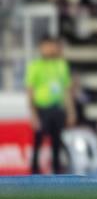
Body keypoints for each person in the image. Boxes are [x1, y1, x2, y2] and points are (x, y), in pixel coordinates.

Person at [25, 36, 76, 174]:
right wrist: (33, 113)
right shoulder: (35, 66)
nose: (49, 49)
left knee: (57, 141)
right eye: (46, 46)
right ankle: (34, 169)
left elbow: (66, 90)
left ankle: (56, 169)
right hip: (42, 107)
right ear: (41, 48)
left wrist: (71, 112)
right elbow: (30, 90)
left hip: (57, 108)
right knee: (38, 140)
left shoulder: (61, 65)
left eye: (52, 46)